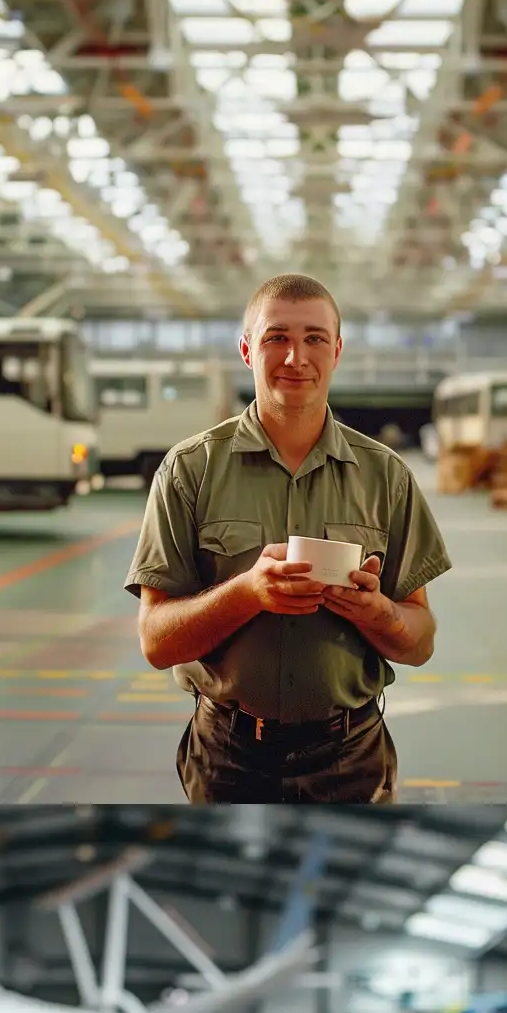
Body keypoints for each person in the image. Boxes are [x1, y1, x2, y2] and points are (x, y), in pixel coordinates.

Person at [128, 274, 455, 804]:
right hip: (228, 757)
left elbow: (420, 642)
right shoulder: (189, 470)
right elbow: (156, 642)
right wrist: (248, 593)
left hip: (352, 757)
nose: (295, 357)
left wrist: (376, 613)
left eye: (314, 338)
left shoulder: (386, 477)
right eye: (276, 337)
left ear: (337, 350)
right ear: (246, 349)